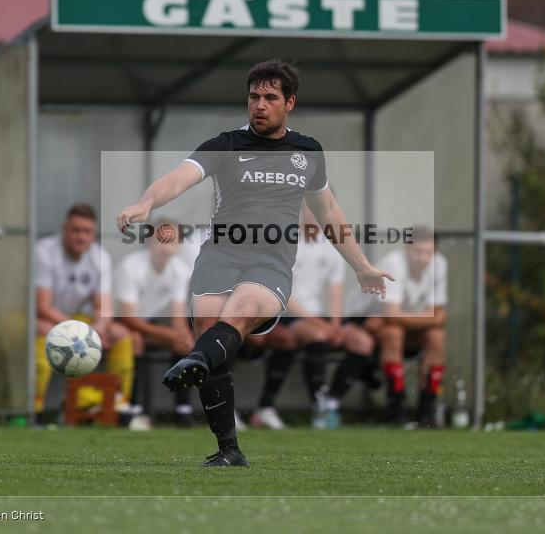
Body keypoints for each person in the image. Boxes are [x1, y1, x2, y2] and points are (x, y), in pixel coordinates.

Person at [117, 59, 392, 467]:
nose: (259, 105)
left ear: (289, 103)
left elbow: (330, 213)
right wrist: (146, 202)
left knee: (239, 313)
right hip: (220, 254)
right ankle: (229, 450)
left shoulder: (307, 152)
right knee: (210, 332)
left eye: (270, 98)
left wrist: (362, 266)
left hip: (272, 260)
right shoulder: (225, 145)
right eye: (253, 97)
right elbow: (178, 178)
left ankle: (195, 360)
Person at [250, 202, 375, 430]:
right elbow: (282, 294)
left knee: (363, 342)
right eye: (308, 206)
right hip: (287, 314)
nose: (312, 212)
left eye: (318, 206)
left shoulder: (332, 245)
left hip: (320, 317)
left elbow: (335, 292)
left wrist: (335, 325)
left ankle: (331, 402)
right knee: (317, 336)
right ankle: (318, 407)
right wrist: (320, 324)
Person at [35, 203, 132, 421]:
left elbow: (103, 306)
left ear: (93, 234)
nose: (81, 237)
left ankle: (117, 405)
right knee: (44, 331)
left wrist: (96, 330)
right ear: (64, 229)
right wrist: (79, 332)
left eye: (86, 232)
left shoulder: (100, 257)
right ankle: (35, 407)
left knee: (121, 336)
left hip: (79, 320)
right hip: (47, 318)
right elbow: (42, 306)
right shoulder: (45, 252)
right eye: (75, 230)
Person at [345, 227, 448, 427]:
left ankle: (426, 412)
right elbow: (395, 314)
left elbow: (439, 316)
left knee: (436, 337)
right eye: (418, 252)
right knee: (394, 333)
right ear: (407, 249)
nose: (423, 258)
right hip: (359, 319)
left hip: (395, 320)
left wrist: (399, 317)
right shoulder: (394, 263)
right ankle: (396, 411)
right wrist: (430, 318)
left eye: (428, 252)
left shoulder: (440, 264)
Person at [115, 220, 195, 429]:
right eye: (161, 239)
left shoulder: (180, 269)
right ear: (149, 241)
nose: (166, 245)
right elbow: (127, 317)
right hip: (123, 323)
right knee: (135, 340)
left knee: (184, 342)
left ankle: (182, 409)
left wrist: (183, 335)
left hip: (149, 323)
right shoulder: (131, 266)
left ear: (178, 245)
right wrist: (166, 334)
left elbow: (178, 315)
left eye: (172, 240)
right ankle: (132, 409)